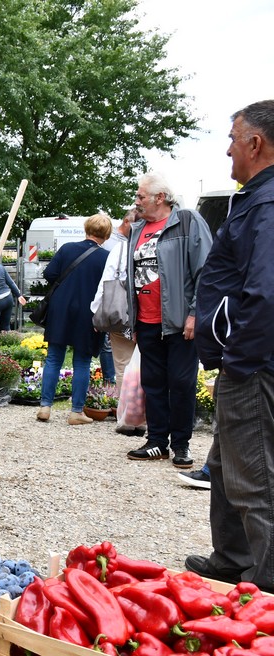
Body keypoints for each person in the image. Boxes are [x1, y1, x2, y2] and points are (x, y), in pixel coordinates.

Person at [185, 100, 274, 588]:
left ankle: (264, 587)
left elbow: (265, 293)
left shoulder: (267, 204)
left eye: (233, 139)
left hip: (255, 367)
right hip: (246, 362)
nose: (227, 150)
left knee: (255, 479)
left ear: (256, 144)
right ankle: (231, 558)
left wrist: (239, 360)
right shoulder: (256, 199)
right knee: (225, 463)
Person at [124, 173, 212, 468]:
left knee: (182, 383)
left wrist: (195, 313)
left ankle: (182, 445)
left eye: (140, 197)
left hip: (179, 322)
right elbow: (131, 277)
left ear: (159, 198)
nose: (136, 203)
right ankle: (157, 442)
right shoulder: (137, 230)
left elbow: (206, 271)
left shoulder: (186, 221)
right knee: (153, 383)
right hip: (147, 322)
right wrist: (133, 320)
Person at [36, 213, 111, 425]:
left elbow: (50, 274)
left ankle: (45, 406)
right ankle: (76, 411)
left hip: (60, 309)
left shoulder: (67, 248)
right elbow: (109, 288)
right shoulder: (106, 257)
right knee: (82, 361)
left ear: (86, 229)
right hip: (88, 312)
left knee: (53, 358)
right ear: (106, 235)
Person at [91, 209, 138, 398]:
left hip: (121, 315)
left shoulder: (120, 249)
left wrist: (97, 312)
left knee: (123, 365)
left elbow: (107, 281)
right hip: (151, 316)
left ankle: (128, 412)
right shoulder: (160, 246)